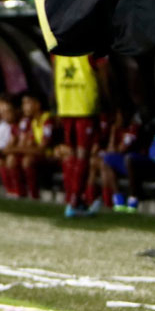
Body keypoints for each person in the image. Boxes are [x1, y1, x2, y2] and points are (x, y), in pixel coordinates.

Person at [52, 54, 106, 217]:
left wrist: (55, 100)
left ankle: (73, 198)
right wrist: (109, 100)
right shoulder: (92, 48)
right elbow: (104, 76)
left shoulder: (58, 44)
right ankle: (75, 201)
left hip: (66, 104)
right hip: (85, 105)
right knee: (83, 155)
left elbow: (53, 72)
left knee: (73, 154)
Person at [1, 92, 54, 200]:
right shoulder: (31, 121)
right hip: (35, 154)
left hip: (49, 155)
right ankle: (17, 193)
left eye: (27, 103)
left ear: (37, 105)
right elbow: (26, 143)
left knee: (27, 160)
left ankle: (34, 195)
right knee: (10, 158)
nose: (24, 107)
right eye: (23, 103)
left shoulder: (47, 120)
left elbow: (42, 149)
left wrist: (15, 149)